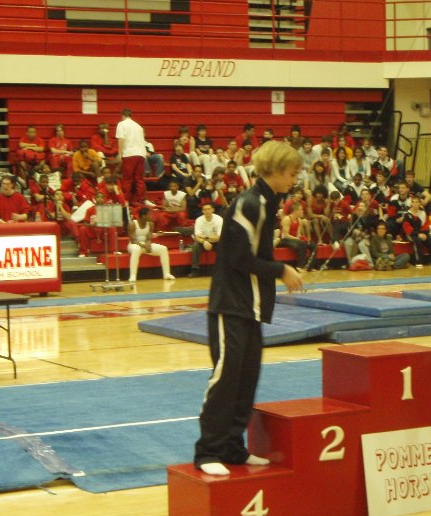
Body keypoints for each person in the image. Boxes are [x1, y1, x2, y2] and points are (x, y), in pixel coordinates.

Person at [193, 141, 303, 477]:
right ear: (275, 170)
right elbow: (239, 258)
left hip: (251, 307)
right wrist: (281, 270)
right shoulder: (249, 203)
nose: (294, 178)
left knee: (246, 380)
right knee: (226, 379)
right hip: (231, 305)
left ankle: (232, 447)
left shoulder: (268, 203)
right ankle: (207, 450)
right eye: (291, 172)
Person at [126, 207, 175, 282]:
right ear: (143, 216)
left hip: (145, 245)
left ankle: (167, 274)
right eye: (149, 214)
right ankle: (133, 276)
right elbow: (133, 240)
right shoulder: (132, 224)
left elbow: (149, 238)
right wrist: (143, 245)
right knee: (136, 249)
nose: (151, 216)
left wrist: (148, 244)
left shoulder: (151, 224)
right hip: (133, 245)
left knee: (163, 249)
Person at [116, 108, 147, 208]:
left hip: (129, 153)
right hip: (141, 154)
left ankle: (126, 199)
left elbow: (121, 139)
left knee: (127, 178)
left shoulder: (121, 124)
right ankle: (140, 200)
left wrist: (120, 154)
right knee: (139, 179)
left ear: (122, 115)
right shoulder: (139, 126)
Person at [189, 202, 223, 277]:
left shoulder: (219, 219)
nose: (207, 211)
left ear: (213, 210)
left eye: (208, 209)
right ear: (202, 211)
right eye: (204, 209)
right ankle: (195, 270)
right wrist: (204, 242)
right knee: (195, 247)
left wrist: (206, 237)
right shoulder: (199, 220)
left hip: (216, 242)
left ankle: (223, 270)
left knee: (224, 246)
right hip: (203, 242)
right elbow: (197, 236)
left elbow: (220, 237)